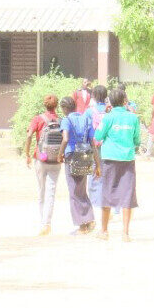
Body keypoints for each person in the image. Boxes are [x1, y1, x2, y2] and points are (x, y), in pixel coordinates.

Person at [93, 88, 141, 242]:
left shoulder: (107, 118)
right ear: (124, 101)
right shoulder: (133, 118)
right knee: (127, 195)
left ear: (110, 102)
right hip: (127, 160)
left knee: (107, 193)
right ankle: (125, 233)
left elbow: (98, 136)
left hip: (109, 160)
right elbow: (137, 140)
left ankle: (104, 231)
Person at [24, 94, 64, 236]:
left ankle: (43, 223)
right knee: (51, 192)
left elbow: (29, 136)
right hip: (56, 160)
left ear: (44, 105)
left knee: (41, 191)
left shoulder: (38, 119)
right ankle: (47, 223)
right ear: (57, 106)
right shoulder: (61, 120)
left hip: (41, 158)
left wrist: (27, 154)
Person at [59, 96, 97, 235]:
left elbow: (66, 139)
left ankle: (82, 226)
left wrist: (59, 154)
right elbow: (93, 142)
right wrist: (97, 164)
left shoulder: (66, 120)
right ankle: (89, 219)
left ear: (64, 109)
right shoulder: (86, 118)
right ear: (75, 106)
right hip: (86, 155)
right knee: (81, 189)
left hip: (72, 156)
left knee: (74, 191)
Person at [86, 85, 109, 207]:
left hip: (94, 147)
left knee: (95, 175)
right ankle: (108, 205)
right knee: (108, 176)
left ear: (93, 96)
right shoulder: (109, 110)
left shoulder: (90, 111)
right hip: (109, 147)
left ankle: (95, 203)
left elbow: (84, 128)